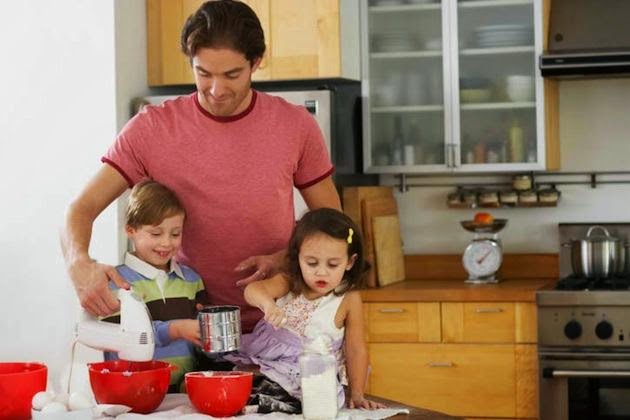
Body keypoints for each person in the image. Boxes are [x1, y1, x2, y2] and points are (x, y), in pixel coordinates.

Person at [60, 0, 341, 333]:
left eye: (231, 75)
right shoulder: (151, 129)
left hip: (282, 323)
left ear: (256, 62)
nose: (216, 90)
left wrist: (286, 257)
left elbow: (333, 224)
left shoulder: (295, 125)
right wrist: (79, 263)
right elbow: (81, 209)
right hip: (189, 328)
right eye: (203, 73)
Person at [225, 208, 386, 413]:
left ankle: (268, 403)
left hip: (313, 374)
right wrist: (267, 304)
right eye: (311, 263)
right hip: (269, 363)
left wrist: (357, 394)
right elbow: (253, 290)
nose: (321, 272)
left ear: (350, 262)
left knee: (312, 397)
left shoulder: (348, 299)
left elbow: (356, 349)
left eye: (333, 264)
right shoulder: (290, 282)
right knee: (244, 381)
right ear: (298, 257)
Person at [102, 180, 205, 392]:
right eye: (156, 234)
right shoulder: (115, 282)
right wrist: (175, 329)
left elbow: (199, 342)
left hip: (182, 394)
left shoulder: (192, 280)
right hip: (133, 393)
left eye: (175, 234)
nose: (166, 243)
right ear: (130, 230)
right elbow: (120, 338)